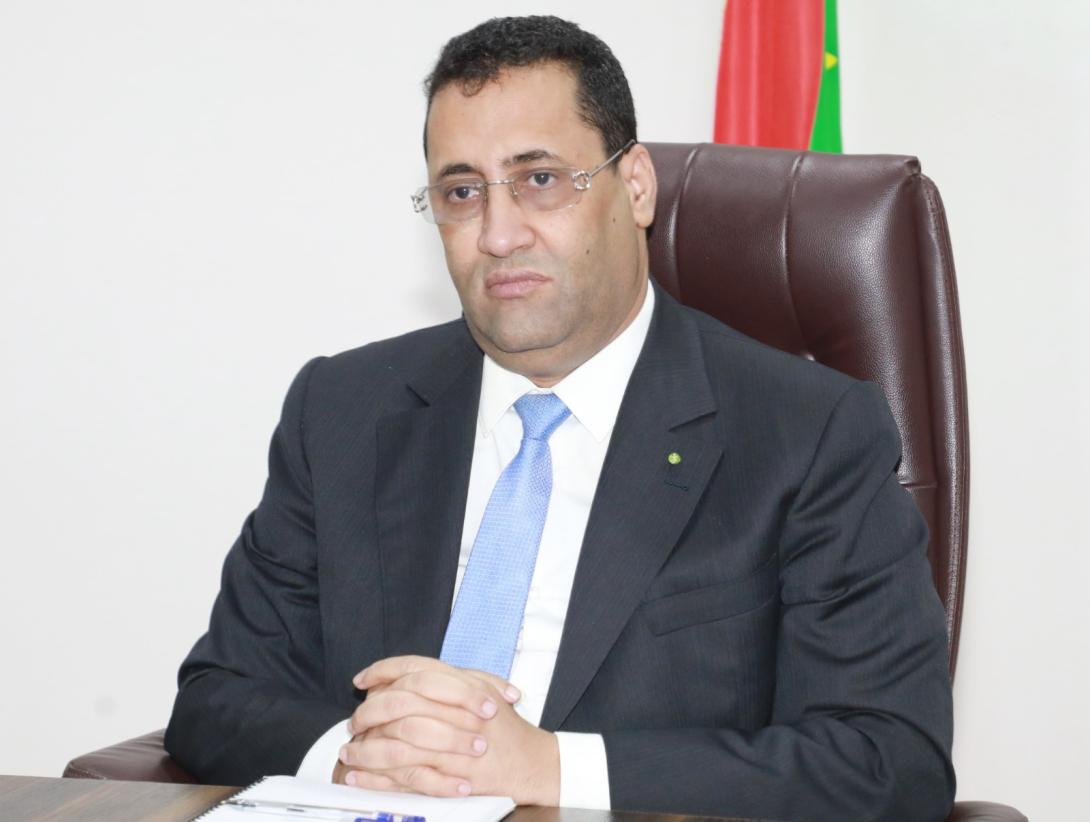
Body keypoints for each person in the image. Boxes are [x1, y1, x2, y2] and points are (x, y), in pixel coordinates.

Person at [165, 15, 955, 821]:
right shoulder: (344, 409)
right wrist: (365, 753)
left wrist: (547, 767)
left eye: (539, 178)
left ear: (636, 186)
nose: (498, 234)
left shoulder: (807, 433)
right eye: (462, 192)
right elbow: (219, 695)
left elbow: (887, 761)